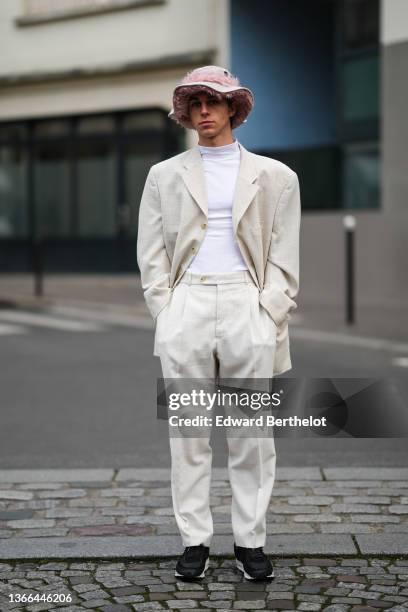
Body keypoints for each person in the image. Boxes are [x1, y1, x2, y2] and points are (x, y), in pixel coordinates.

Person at [137, 65, 301, 581]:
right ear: (185, 113)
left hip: (245, 306)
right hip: (186, 304)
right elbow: (151, 253)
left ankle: (251, 541)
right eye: (194, 103)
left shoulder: (277, 176)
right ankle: (195, 541)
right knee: (188, 433)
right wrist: (166, 309)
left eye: (213, 101)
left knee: (252, 434)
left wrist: (269, 309)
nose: (203, 111)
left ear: (234, 109)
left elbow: (284, 253)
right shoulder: (164, 174)